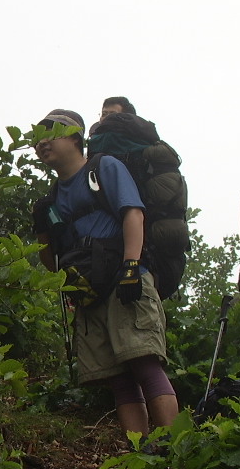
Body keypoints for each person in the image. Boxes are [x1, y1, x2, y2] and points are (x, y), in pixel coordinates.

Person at [32, 109, 178, 438]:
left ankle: (176, 450)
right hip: (89, 293)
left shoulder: (104, 167)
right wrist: (42, 229)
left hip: (124, 277)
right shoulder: (51, 199)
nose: (42, 143)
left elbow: (133, 214)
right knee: (118, 379)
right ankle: (140, 453)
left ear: (75, 138)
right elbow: (52, 264)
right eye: (37, 138)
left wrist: (131, 266)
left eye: (51, 133)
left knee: (144, 362)